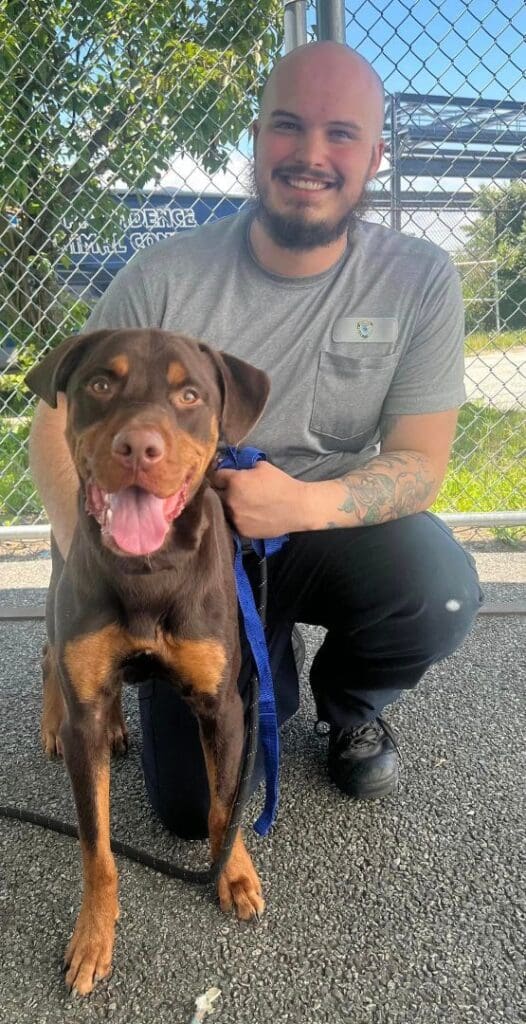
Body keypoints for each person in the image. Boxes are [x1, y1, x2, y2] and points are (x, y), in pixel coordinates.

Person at [29, 41, 483, 838]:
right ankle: (255, 661)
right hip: (178, 544)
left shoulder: (418, 278)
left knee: (438, 583)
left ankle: (348, 709)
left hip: (319, 525)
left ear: (375, 155)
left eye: (341, 134)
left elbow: (422, 463)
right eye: (287, 127)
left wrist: (302, 502)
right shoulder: (167, 272)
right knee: (186, 813)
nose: (311, 154)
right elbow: (55, 416)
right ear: (256, 139)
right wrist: (90, 550)